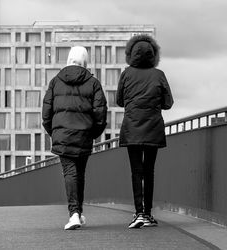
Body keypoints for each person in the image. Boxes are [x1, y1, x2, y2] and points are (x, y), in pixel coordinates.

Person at [42, 46, 107, 230]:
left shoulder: (56, 81)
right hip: (84, 135)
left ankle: (75, 214)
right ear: (85, 61)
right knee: (80, 174)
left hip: (62, 136)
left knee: (70, 173)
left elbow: (46, 113)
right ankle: (77, 212)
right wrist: (92, 133)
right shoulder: (93, 83)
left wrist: (55, 132)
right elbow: (100, 114)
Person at [116, 35, 174, 229]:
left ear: (131, 54)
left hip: (132, 129)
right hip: (153, 129)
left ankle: (138, 213)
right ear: (153, 55)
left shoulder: (126, 74)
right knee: (149, 171)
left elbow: (119, 101)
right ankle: (147, 213)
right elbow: (168, 103)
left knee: (136, 172)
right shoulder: (159, 75)